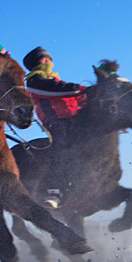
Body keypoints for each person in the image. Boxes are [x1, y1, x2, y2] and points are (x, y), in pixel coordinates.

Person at [23, 46, 86, 209]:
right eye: (43, 59)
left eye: (49, 59)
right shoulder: (34, 81)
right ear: (35, 64)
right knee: (61, 149)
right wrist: (80, 90)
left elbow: (75, 100)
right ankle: (55, 190)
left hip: (74, 121)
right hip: (55, 122)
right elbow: (55, 91)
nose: (48, 62)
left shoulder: (57, 80)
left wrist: (86, 99)